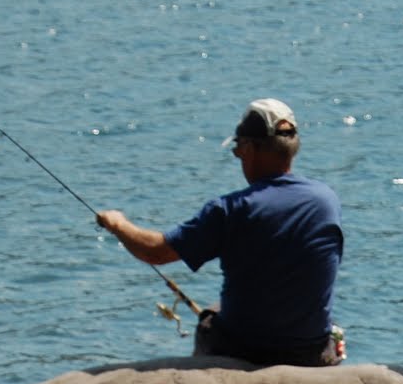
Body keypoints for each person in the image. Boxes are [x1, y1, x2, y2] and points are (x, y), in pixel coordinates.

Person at [96, 97, 346, 367]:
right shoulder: (327, 201)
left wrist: (118, 224)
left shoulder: (231, 210)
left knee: (211, 318)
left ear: (250, 148)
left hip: (244, 351)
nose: (238, 156)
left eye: (238, 148)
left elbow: (155, 252)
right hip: (311, 350)